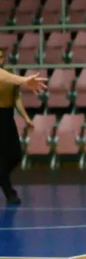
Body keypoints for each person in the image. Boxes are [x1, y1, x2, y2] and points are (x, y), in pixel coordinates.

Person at [0, 48, 36, 205]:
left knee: (15, 154)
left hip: (7, 116)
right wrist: (23, 80)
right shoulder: (8, 76)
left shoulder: (10, 74)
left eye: (0, 56)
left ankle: (3, 180)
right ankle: (9, 192)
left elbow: (16, 98)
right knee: (0, 158)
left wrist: (26, 117)